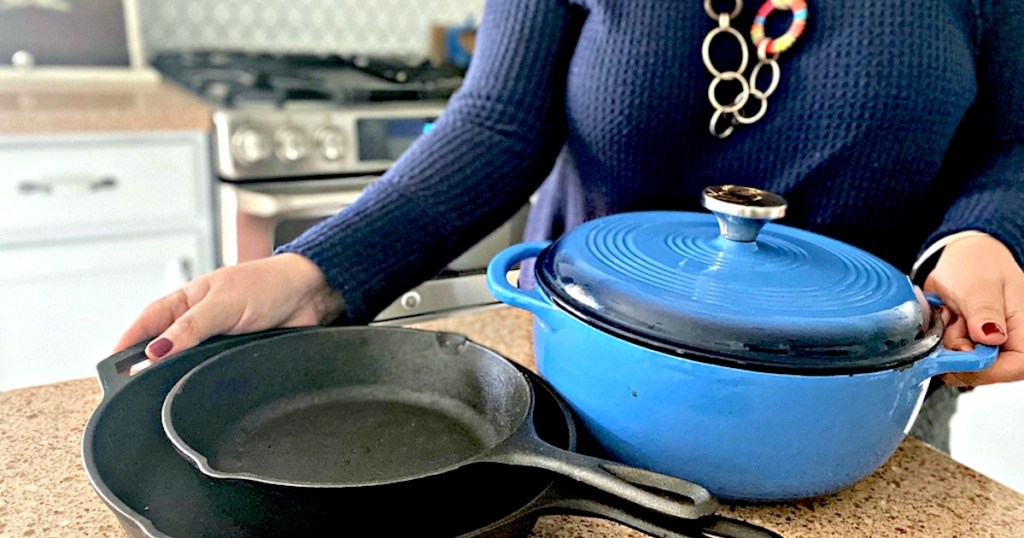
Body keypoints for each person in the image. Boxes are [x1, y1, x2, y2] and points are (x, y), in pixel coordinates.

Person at [115, 0, 1023, 452]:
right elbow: (496, 126)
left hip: (854, 411)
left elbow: (1015, 141)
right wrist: (313, 277)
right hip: (587, 377)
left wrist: (987, 239)